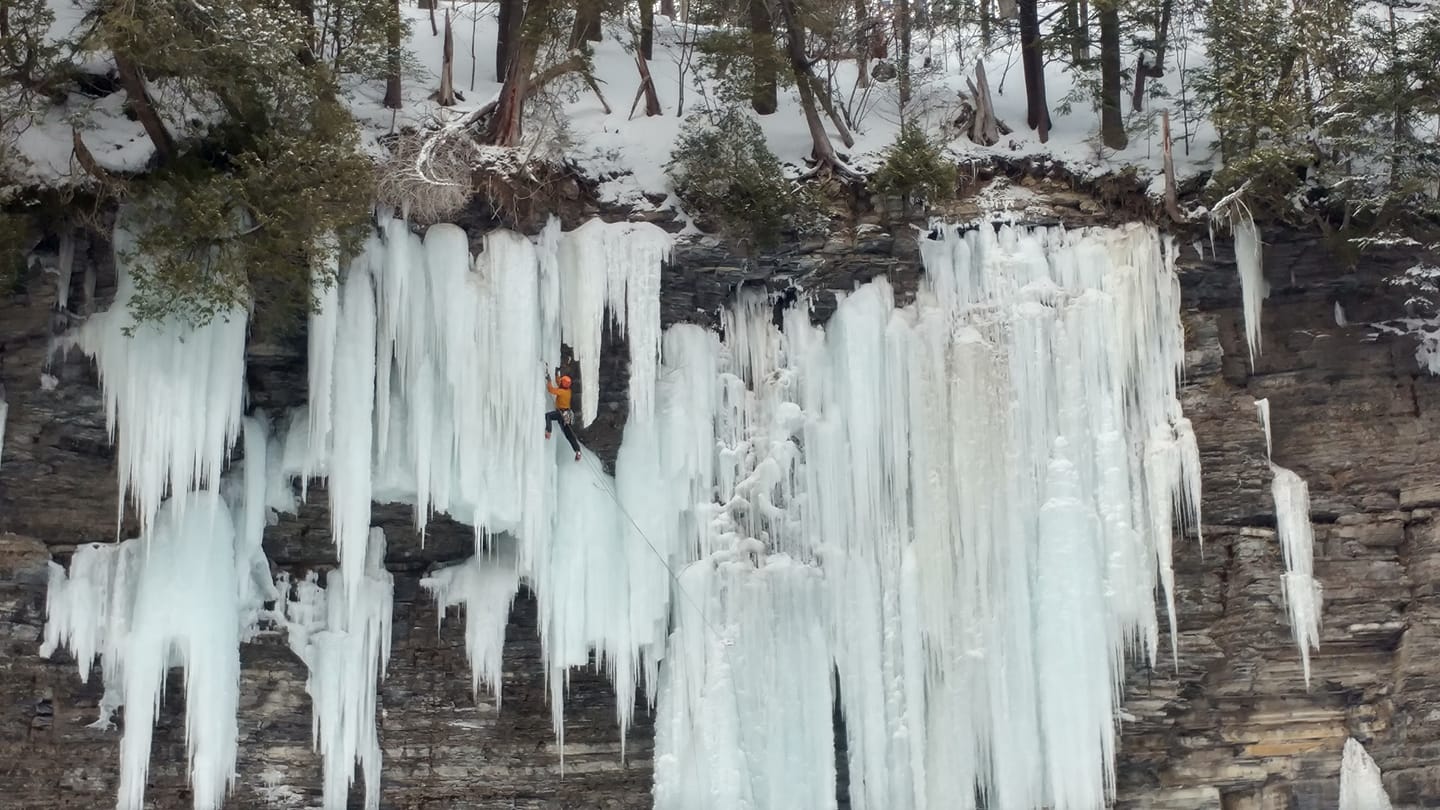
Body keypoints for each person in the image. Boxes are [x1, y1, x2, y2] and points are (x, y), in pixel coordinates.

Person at [545, 371, 581, 461]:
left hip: (561, 414)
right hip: (567, 415)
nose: (560, 382)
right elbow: (559, 382)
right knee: (569, 435)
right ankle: (577, 451)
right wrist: (557, 375)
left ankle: (548, 431)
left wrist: (549, 381)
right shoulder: (568, 391)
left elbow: (551, 390)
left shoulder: (561, 392)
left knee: (548, 416)